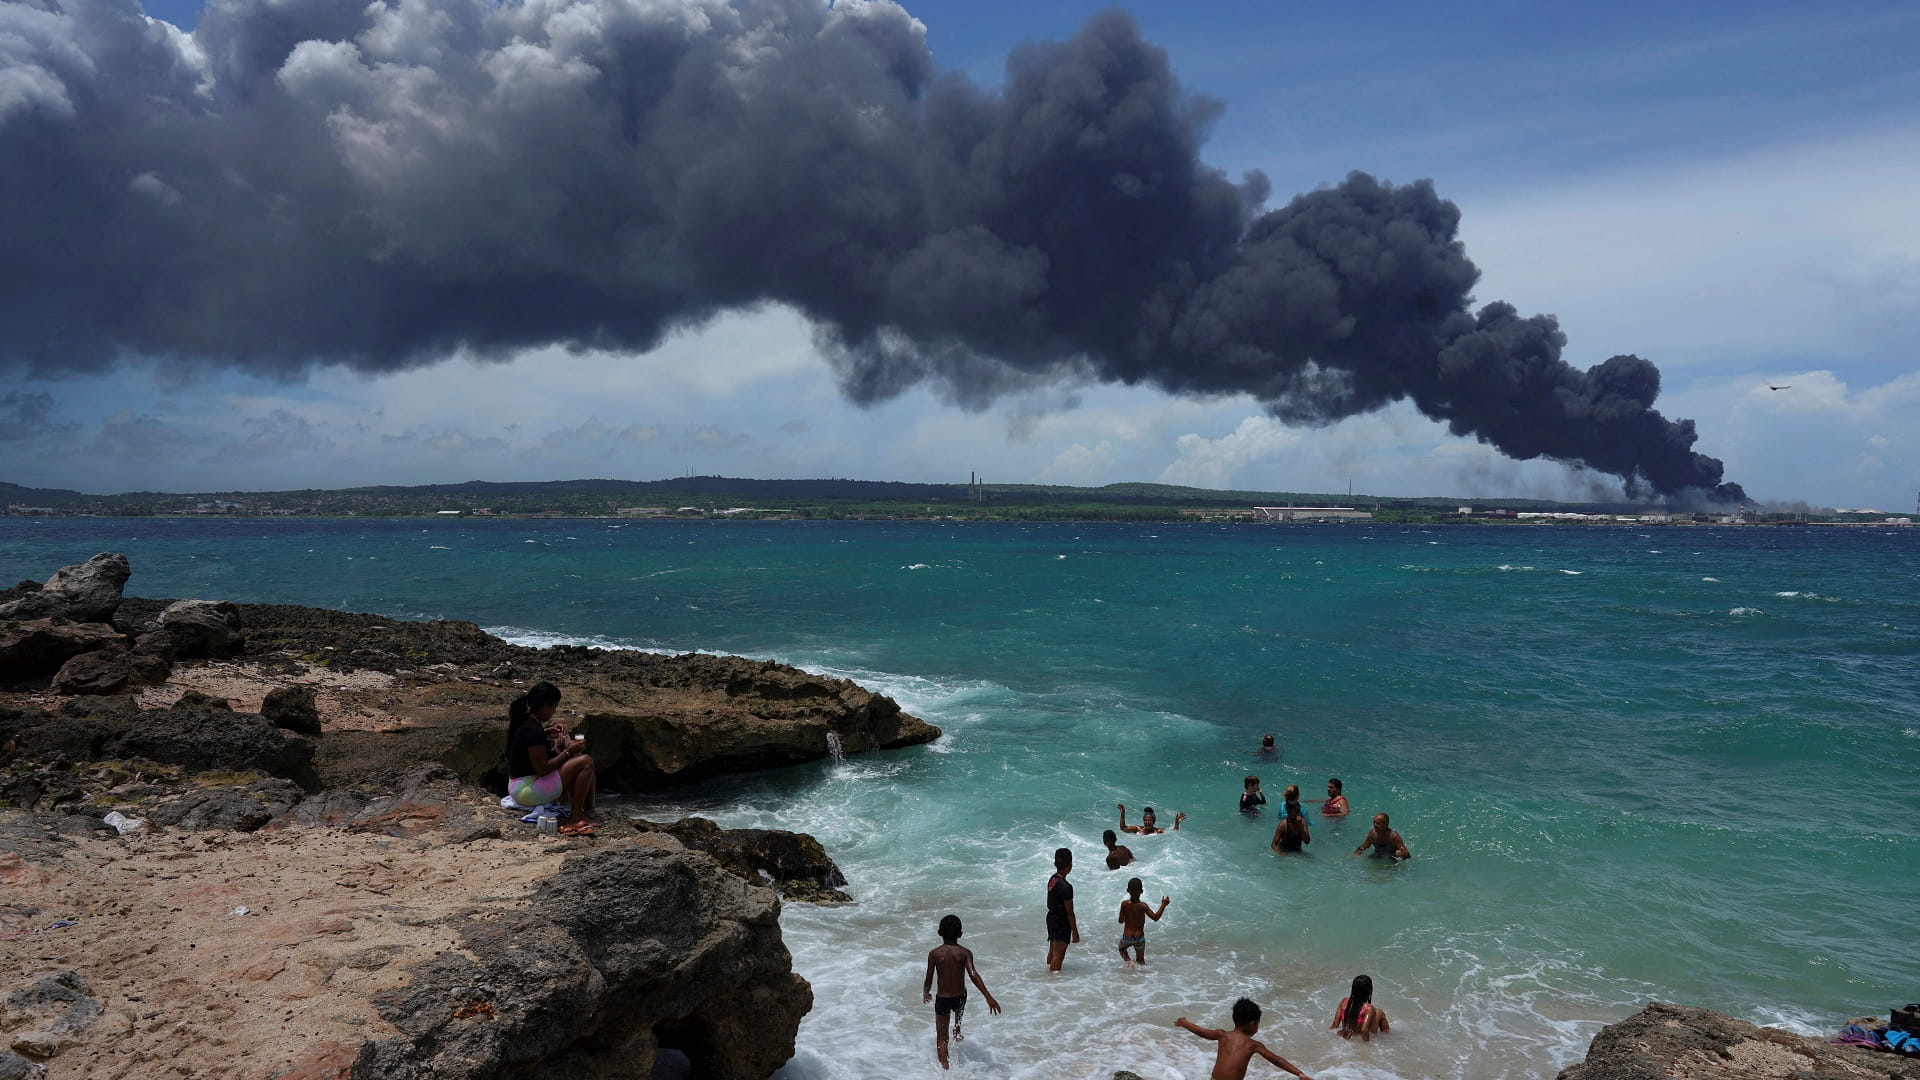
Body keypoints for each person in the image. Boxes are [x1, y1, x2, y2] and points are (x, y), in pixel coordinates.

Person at [504, 682, 598, 835]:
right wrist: (568, 751)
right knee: (585, 762)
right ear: (545, 705)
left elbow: (529, 741)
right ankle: (575, 817)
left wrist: (548, 732)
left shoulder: (525, 721)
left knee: (582, 763)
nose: (553, 712)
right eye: (554, 708)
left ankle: (588, 811)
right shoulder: (533, 731)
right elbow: (543, 769)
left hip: (518, 785)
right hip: (527, 790)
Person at [923, 914, 1001, 1069]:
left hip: (943, 999)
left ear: (939, 933)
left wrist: (926, 993)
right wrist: (988, 997)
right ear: (960, 934)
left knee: (941, 1038)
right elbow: (973, 974)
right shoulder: (965, 953)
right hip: (960, 997)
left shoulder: (935, 954)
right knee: (959, 1008)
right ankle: (957, 1030)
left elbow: (929, 977)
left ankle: (945, 1071)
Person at [1175, 998, 1314, 1079]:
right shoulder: (1253, 1045)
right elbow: (1276, 1060)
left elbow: (1202, 1032)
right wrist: (1299, 1073)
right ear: (1252, 1024)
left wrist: (1184, 1023)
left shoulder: (1222, 1035)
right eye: (1258, 1023)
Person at [1116, 877, 1170, 970]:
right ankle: (1142, 979)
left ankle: (1129, 961)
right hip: (1139, 938)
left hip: (1127, 937)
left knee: (1122, 949)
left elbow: (1120, 921)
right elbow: (1155, 917)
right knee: (1141, 961)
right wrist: (1164, 904)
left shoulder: (1124, 904)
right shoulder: (1143, 906)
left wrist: (1125, 916)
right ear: (1141, 891)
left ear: (1128, 890)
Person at [1045, 847, 1080, 972]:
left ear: (1055, 864)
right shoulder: (1066, 887)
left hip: (1051, 918)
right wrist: (1075, 932)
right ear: (1070, 865)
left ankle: (1046, 976)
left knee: (1053, 951)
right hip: (1061, 922)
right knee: (1059, 956)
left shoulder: (1053, 879)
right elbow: (1069, 913)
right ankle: (1052, 982)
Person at [1330, 974, 1389, 1042]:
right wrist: (1367, 1046)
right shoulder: (1368, 1008)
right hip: (1360, 1038)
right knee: (1380, 1012)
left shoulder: (1344, 1002)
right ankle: (1387, 1040)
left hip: (1346, 1036)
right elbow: (1364, 1030)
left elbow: (1335, 1024)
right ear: (1369, 990)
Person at [1118, 803, 1186, 834]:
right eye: (1145, 820)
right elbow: (1123, 828)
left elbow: (1173, 832)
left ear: (1153, 822)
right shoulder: (1138, 829)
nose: (1147, 822)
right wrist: (1122, 814)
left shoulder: (1158, 831)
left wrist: (1177, 824)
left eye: (1149, 820)